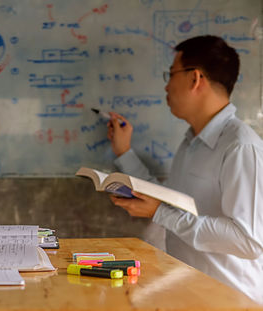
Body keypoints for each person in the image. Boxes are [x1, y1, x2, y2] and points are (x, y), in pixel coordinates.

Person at [106, 35, 263, 304]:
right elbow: (172, 202)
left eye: (171, 74)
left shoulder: (240, 147)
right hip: (193, 294)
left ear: (195, 79)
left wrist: (159, 212)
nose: (166, 86)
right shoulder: (192, 141)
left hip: (230, 301)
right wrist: (125, 153)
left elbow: (248, 241)